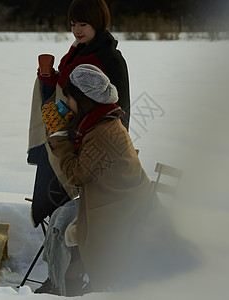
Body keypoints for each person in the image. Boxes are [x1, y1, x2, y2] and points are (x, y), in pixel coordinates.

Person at [40, 64, 164, 295]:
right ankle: (69, 284)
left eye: (70, 98)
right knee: (62, 217)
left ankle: (71, 287)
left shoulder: (101, 131)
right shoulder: (100, 122)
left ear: (84, 100)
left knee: (66, 225)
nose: (67, 103)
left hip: (122, 207)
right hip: (116, 199)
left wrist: (59, 138)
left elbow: (78, 174)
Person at [27, 0, 130, 228]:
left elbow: (119, 109)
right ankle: (61, 234)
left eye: (83, 24)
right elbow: (72, 91)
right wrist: (50, 81)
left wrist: (107, 149)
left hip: (91, 143)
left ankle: (73, 239)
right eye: (73, 24)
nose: (76, 30)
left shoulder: (110, 59)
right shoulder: (75, 52)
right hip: (65, 133)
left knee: (67, 188)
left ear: (98, 22)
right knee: (52, 188)